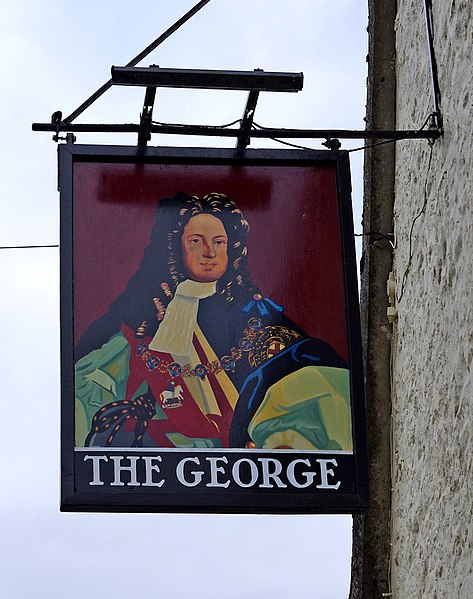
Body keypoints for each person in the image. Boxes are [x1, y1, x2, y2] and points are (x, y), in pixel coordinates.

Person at [75, 192, 352, 450]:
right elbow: (91, 392)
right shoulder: (144, 322)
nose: (209, 252)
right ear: (176, 248)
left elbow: (303, 379)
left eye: (219, 242)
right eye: (196, 241)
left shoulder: (256, 314)